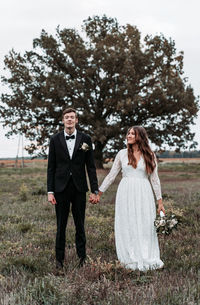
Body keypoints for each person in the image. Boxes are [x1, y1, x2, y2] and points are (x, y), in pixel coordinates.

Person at [97, 126, 165, 271]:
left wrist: (159, 201)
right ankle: (129, 256)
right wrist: (99, 193)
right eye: (128, 133)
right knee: (128, 223)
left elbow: (155, 179)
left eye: (132, 134)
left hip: (143, 192)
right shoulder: (121, 154)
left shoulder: (149, 155)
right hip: (125, 192)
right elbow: (111, 175)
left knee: (145, 223)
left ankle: (146, 255)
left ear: (139, 136)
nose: (128, 135)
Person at [47, 108, 99, 271]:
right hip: (60, 189)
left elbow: (91, 167)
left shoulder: (86, 139)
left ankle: (82, 258)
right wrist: (50, 191)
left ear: (77, 120)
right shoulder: (54, 140)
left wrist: (94, 190)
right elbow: (51, 167)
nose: (69, 120)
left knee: (80, 225)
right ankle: (59, 260)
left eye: (72, 117)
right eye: (67, 117)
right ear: (63, 120)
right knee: (60, 225)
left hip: (79, 188)